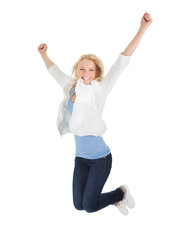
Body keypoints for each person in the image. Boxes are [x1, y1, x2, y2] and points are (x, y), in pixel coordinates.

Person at [38, 12, 153, 215]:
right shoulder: (70, 87)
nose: (86, 73)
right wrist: (43, 54)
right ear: (77, 71)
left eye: (91, 70)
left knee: (89, 206)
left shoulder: (101, 89)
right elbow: (54, 70)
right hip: (80, 158)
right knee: (78, 205)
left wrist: (142, 29)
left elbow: (122, 61)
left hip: (101, 158)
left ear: (97, 73)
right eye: (82, 69)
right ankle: (116, 198)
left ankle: (120, 193)